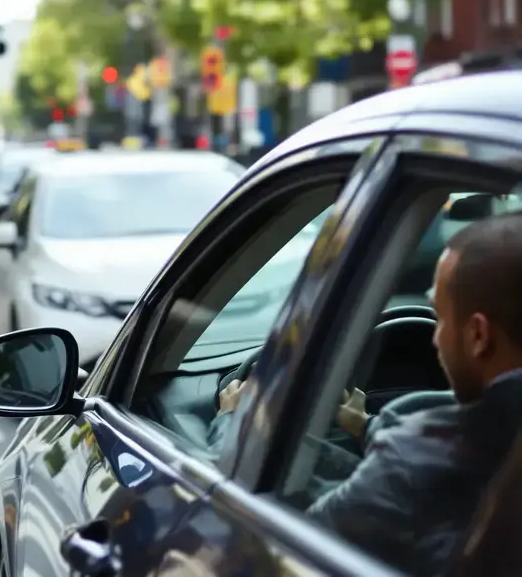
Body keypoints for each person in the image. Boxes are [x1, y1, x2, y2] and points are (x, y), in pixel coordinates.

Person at [217, 212, 522, 574]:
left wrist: (232, 422)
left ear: (478, 336)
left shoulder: (414, 460)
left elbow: (293, 542)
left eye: (439, 317)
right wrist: (363, 425)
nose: (435, 339)